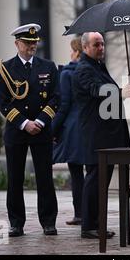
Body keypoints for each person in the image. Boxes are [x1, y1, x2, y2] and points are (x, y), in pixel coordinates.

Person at [0, 23, 59, 237]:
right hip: (16, 131)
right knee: (15, 179)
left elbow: (56, 98)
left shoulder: (48, 67)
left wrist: (40, 121)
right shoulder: (5, 69)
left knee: (45, 178)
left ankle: (49, 222)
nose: (32, 46)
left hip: (41, 130)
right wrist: (24, 123)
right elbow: (3, 102)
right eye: (27, 43)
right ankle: (16, 223)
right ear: (17, 44)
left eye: (34, 42)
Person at [72, 32, 130, 239]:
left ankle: (97, 223)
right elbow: (97, 91)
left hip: (107, 134)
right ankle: (89, 226)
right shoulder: (84, 69)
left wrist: (124, 91)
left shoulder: (97, 65)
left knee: (101, 182)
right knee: (95, 179)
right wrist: (120, 92)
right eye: (97, 44)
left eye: (103, 44)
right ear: (85, 47)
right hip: (97, 134)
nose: (101, 48)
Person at [52, 37, 86, 226]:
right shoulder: (91, 71)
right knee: (90, 172)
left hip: (72, 129)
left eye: (72, 51)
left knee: (76, 174)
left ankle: (79, 213)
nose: (70, 54)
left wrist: (52, 130)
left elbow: (63, 106)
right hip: (88, 128)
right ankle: (89, 212)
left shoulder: (66, 74)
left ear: (77, 52)